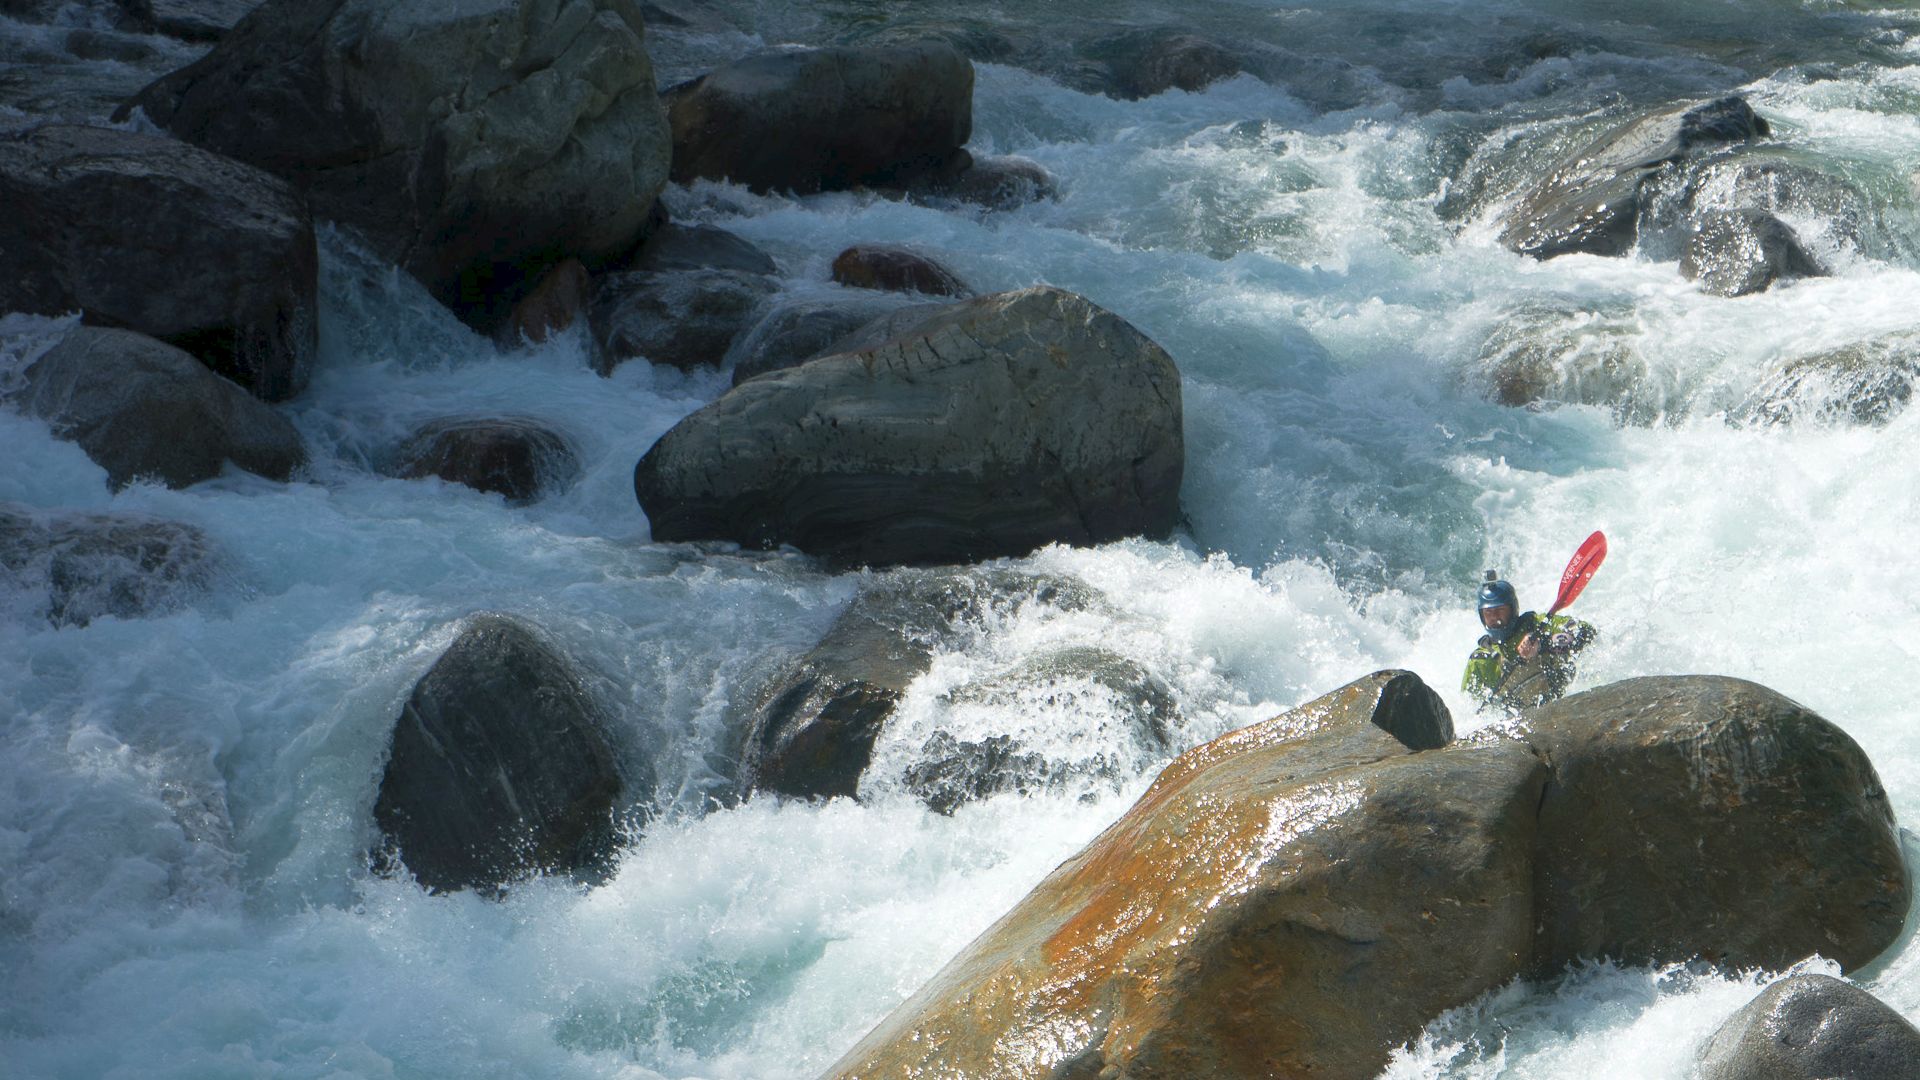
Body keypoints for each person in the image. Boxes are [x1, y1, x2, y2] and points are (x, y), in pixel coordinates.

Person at [1462, 570, 1596, 712]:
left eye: (1500, 610)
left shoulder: (1537, 624)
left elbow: (1585, 631)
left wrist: (1543, 643)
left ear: (1513, 609)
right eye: (1488, 613)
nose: (1495, 617)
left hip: (1562, 702)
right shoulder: (1480, 660)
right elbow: (1468, 709)